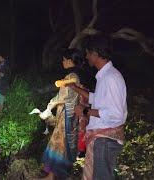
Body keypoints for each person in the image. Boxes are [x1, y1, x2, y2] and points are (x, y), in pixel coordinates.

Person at [66, 35, 127, 180]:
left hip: (105, 140)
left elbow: (115, 113)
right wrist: (75, 88)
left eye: (87, 53)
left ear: (95, 53)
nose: (86, 57)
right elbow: (98, 99)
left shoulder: (110, 78)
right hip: (102, 139)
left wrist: (85, 111)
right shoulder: (105, 76)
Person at [40, 48, 88, 180]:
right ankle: (53, 174)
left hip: (67, 115)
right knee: (62, 144)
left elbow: (62, 96)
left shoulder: (71, 77)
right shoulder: (76, 75)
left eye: (63, 59)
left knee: (59, 144)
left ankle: (51, 176)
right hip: (71, 115)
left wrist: (49, 106)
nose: (62, 62)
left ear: (69, 60)